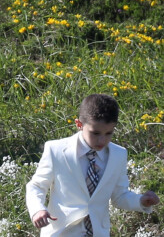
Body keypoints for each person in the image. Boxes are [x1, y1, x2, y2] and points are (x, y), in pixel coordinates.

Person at [26, 94, 160, 237]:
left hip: (98, 233)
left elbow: (119, 196)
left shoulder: (118, 154)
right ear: (79, 124)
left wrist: (140, 201)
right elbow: (36, 186)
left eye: (109, 133)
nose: (102, 140)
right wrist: (38, 210)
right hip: (61, 232)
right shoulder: (56, 150)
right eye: (95, 133)